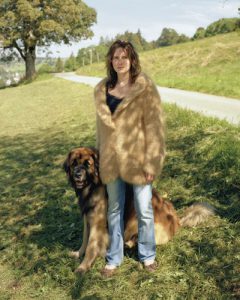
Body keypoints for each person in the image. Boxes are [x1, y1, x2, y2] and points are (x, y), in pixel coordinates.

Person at [94, 40, 165, 277]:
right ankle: (114, 257)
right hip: (111, 160)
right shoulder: (102, 90)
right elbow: (100, 131)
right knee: (114, 209)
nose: (120, 62)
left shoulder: (145, 87)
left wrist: (152, 162)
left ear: (132, 60)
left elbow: (155, 127)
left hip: (138, 160)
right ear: (110, 61)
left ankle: (148, 256)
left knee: (144, 209)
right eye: (115, 58)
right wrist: (100, 158)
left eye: (124, 57)